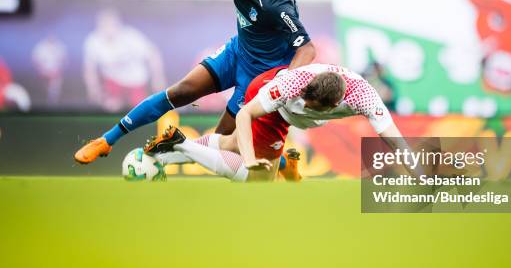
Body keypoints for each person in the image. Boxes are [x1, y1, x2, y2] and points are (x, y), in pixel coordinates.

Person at [74, 0, 316, 164]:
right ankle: (106, 141)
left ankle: (282, 163)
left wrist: (283, 85)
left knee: (221, 143)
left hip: (259, 75)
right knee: (180, 91)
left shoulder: (275, 6)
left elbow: (307, 49)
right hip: (237, 53)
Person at [145, 64, 416, 182]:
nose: (305, 104)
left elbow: (395, 139)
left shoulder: (365, 98)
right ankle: (180, 144)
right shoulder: (291, 86)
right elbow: (244, 115)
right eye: (305, 99)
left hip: (282, 109)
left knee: (229, 144)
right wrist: (250, 158)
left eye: (310, 106)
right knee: (258, 179)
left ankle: (162, 158)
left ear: (334, 106)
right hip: (268, 100)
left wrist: (423, 177)